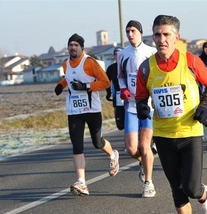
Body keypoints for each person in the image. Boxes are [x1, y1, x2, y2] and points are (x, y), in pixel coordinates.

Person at [135, 14, 207, 214]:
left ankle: (205, 196)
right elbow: (141, 96)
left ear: (176, 37)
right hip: (163, 135)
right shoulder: (146, 67)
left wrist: (204, 106)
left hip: (190, 132)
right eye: (157, 34)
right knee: (177, 189)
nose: (161, 39)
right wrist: (142, 106)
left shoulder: (190, 60)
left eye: (166, 34)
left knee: (192, 188)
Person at [54, 33, 120, 196]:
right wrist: (60, 85)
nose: (73, 47)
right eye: (71, 45)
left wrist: (86, 86)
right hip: (74, 111)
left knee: (97, 143)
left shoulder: (89, 62)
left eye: (76, 45)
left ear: (81, 48)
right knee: (77, 146)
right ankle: (82, 183)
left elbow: (105, 82)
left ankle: (112, 154)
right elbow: (68, 79)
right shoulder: (65, 63)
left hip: (92, 110)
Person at [117, 20, 157, 198]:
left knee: (144, 145)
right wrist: (124, 88)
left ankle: (148, 184)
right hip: (131, 106)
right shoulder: (122, 54)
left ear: (140, 32)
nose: (130, 34)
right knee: (132, 149)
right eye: (127, 31)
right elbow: (121, 77)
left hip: (147, 106)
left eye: (133, 30)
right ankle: (144, 162)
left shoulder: (152, 52)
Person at [105, 46, 125, 130]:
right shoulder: (111, 68)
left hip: (130, 96)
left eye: (119, 54)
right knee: (120, 125)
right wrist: (108, 93)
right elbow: (106, 81)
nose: (117, 56)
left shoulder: (128, 65)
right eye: (115, 54)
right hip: (118, 97)